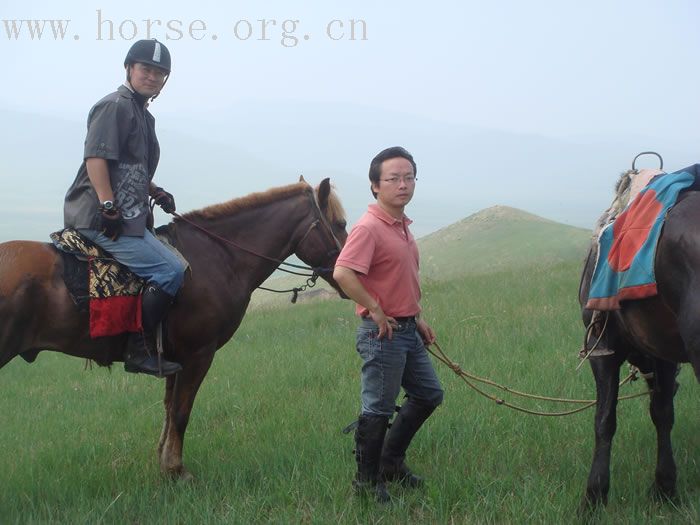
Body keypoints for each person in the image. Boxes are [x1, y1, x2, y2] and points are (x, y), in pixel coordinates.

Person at [63, 39, 185, 377]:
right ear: (130, 68)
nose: (153, 77)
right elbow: (97, 158)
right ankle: (138, 349)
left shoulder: (143, 114)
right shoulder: (114, 105)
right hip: (101, 218)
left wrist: (156, 190)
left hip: (127, 216)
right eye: (147, 69)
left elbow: (132, 168)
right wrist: (107, 205)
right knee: (170, 270)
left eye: (160, 73)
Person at [333, 146, 444, 502]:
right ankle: (365, 484)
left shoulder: (401, 226)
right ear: (375, 186)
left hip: (408, 329)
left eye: (408, 177)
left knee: (428, 394)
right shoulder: (369, 228)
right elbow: (343, 273)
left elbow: (402, 278)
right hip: (382, 333)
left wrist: (419, 317)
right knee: (378, 407)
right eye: (393, 178)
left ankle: (390, 463)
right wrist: (374, 309)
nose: (403, 184)